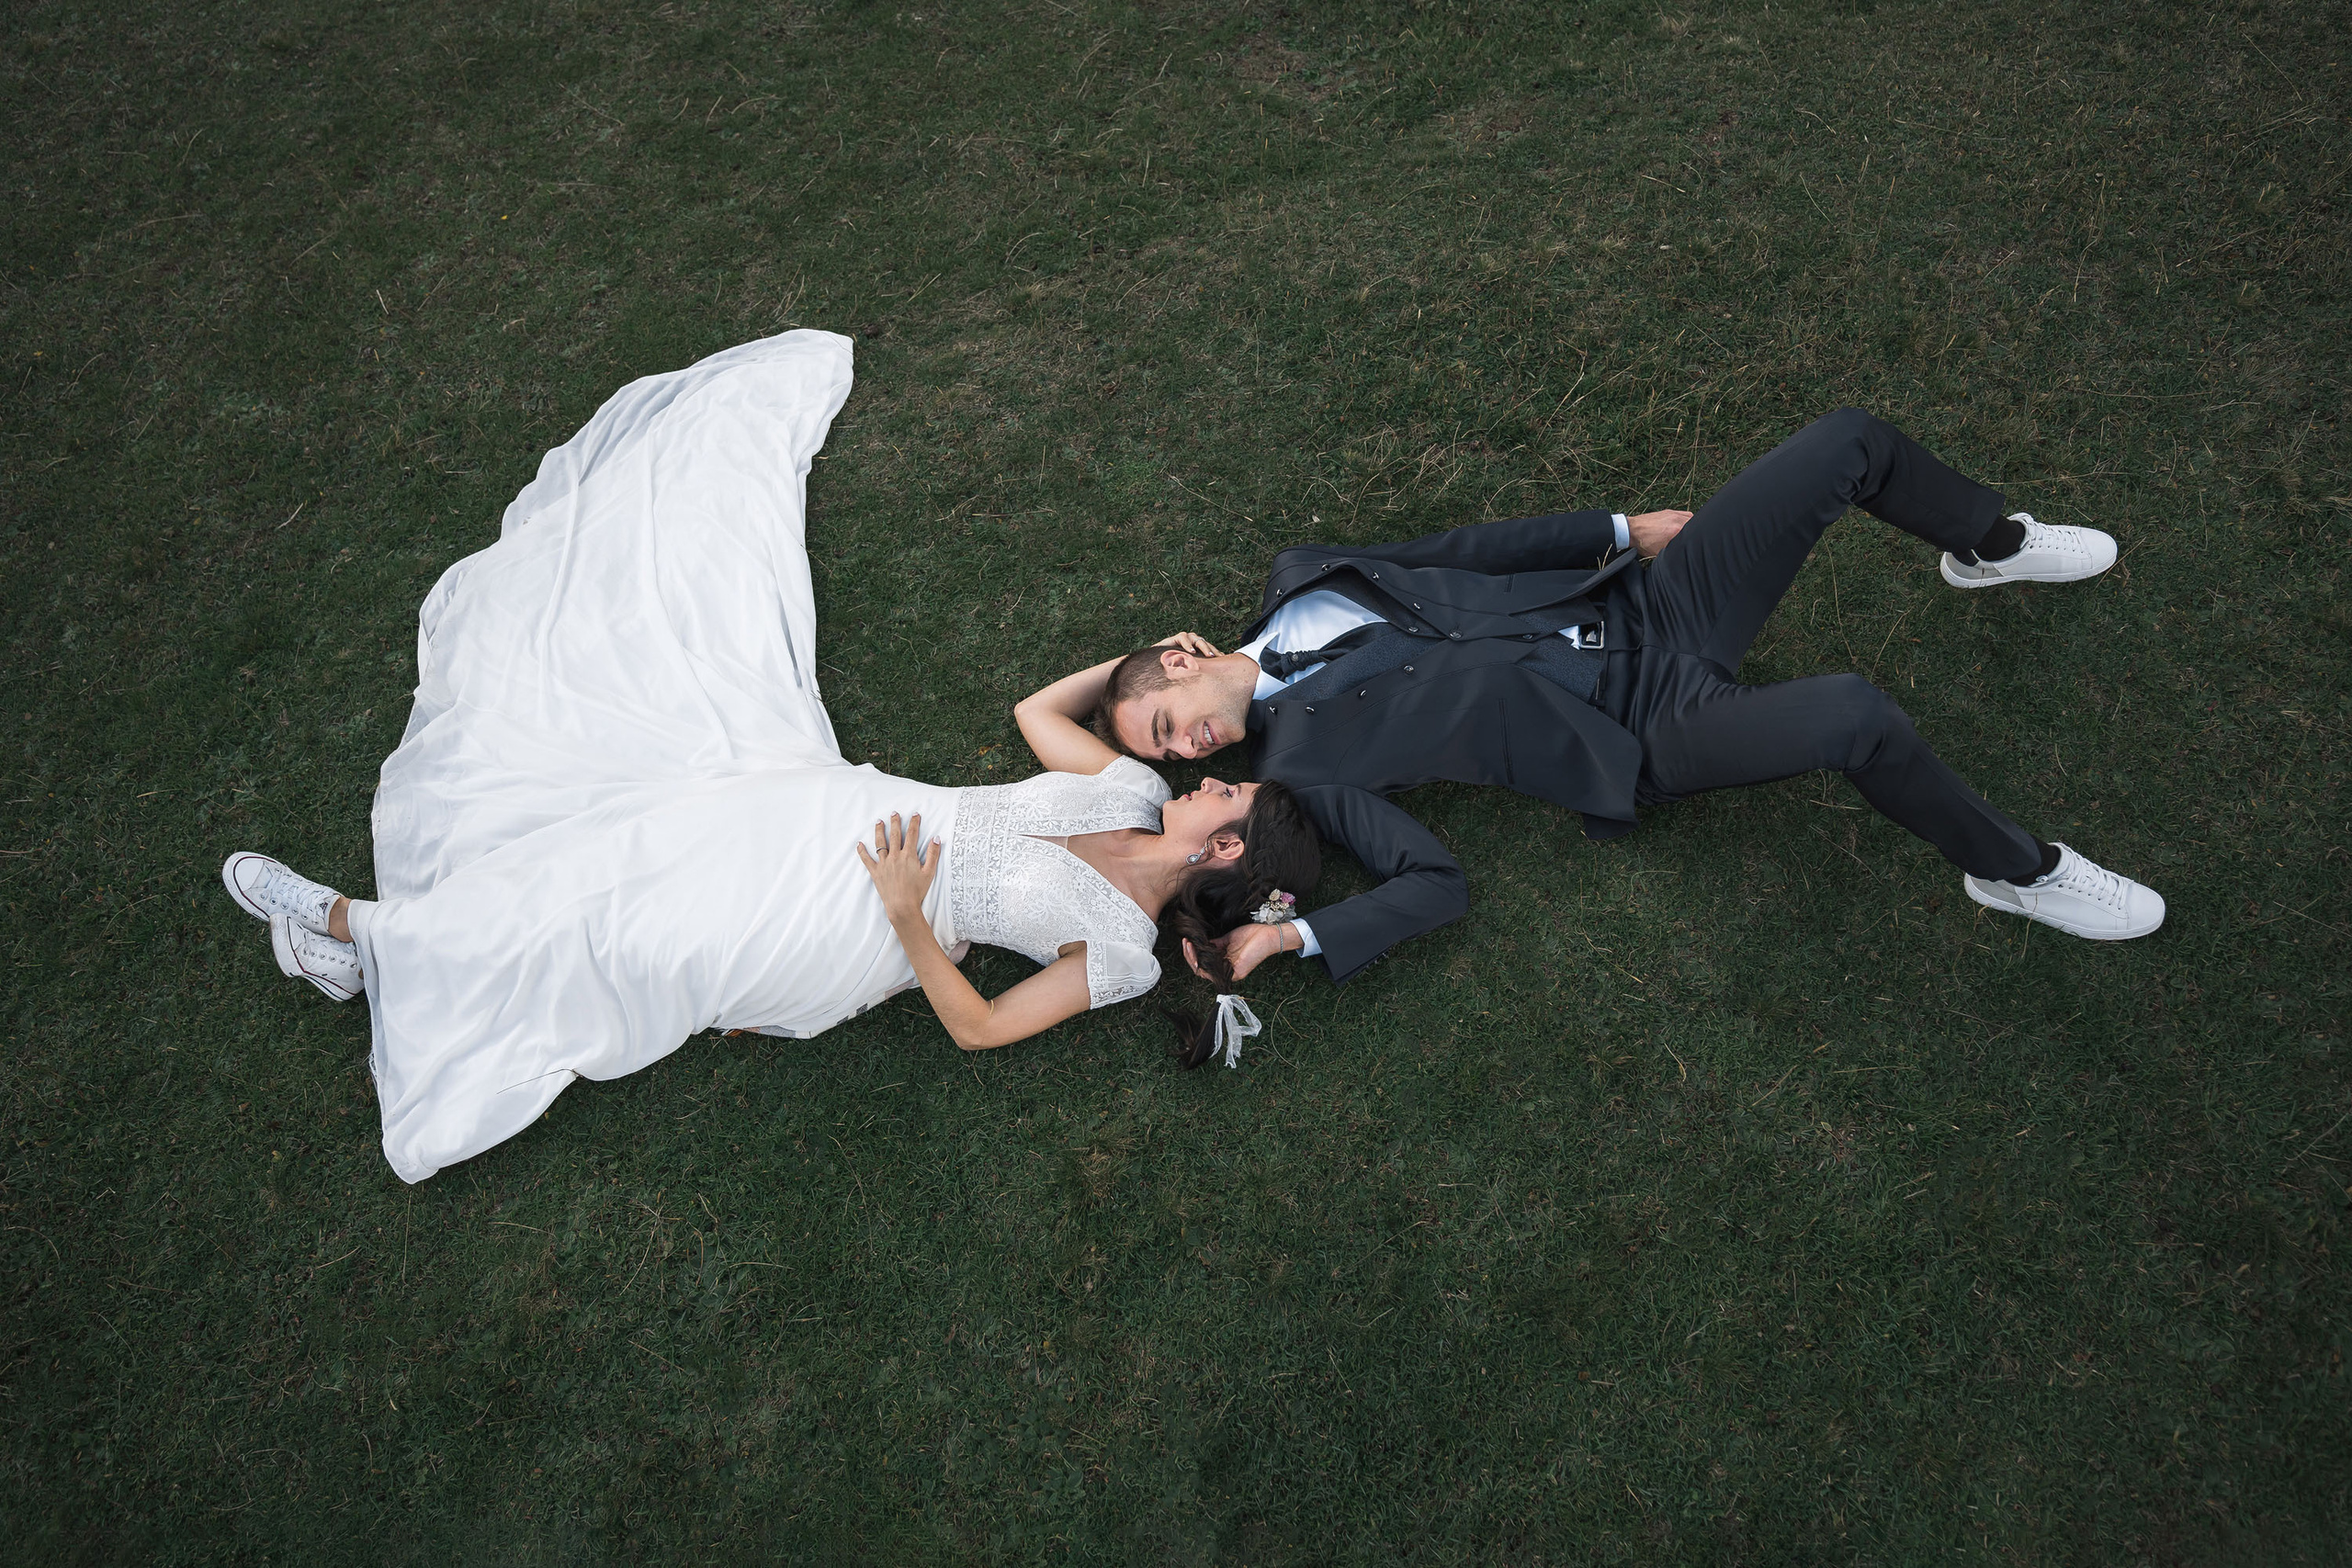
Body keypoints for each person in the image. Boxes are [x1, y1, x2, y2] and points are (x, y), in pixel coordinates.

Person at [217, 331, 1319, 1183]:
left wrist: (902, 910)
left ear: (1223, 844)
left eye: (1224, 787)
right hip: (830, 810)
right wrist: (1149, 674)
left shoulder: (1123, 952)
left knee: (624, 927)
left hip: (866, 922)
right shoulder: (1125, 783)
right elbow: (1039, 708)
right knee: (601, 859)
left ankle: (356, 931)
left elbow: (981, 1028)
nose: (1207, 773)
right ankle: (371, 949)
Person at [1039, 407, 2163, 987]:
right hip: (1638, 728)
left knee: (1847, 443)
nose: (1185, 751)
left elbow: (1461, 549)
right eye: (1170, 754)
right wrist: (1293, 943)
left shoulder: (1303, 576)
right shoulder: (1297, 772)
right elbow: (1428, 881)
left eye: (1161, 719)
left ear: (1177, 657)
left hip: (1648, 607)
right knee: (1854, 716)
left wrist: (1617, 531)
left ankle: (1989, 543)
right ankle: (2018, 873)